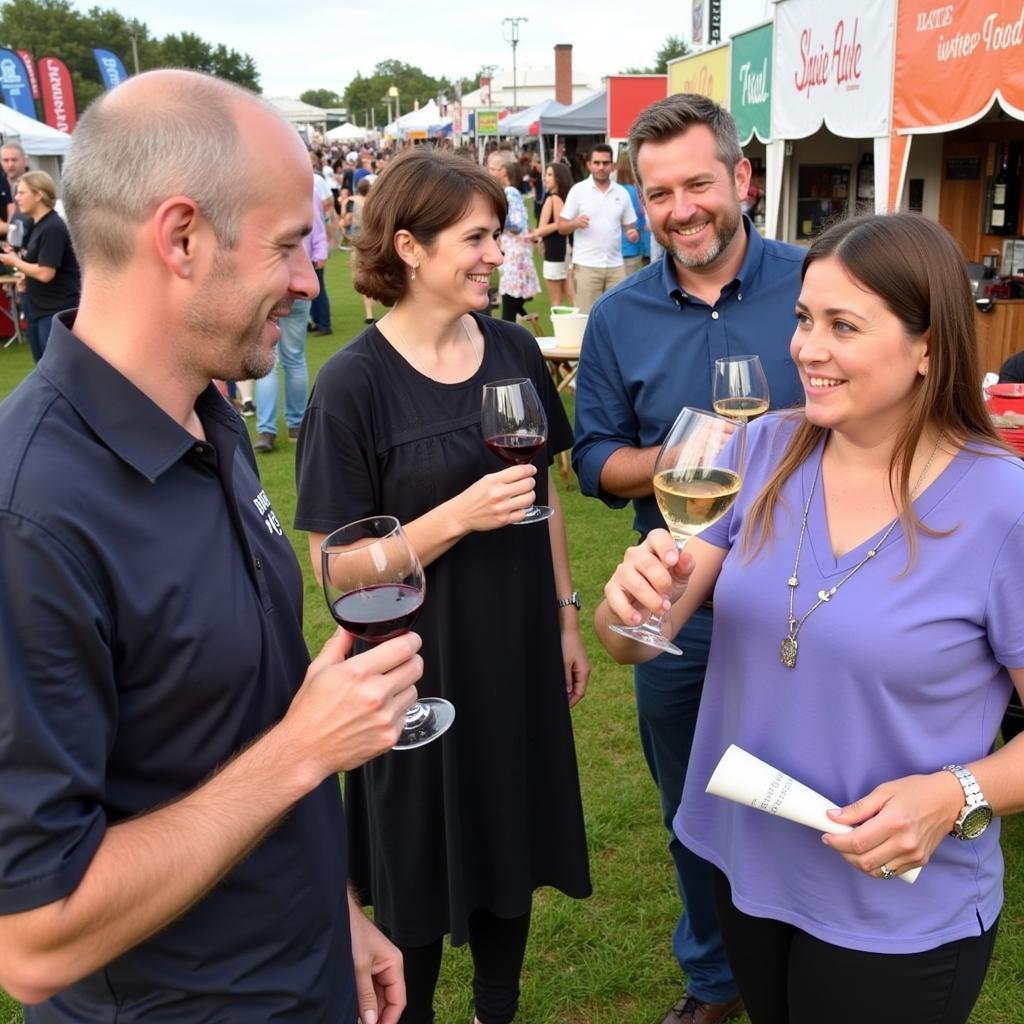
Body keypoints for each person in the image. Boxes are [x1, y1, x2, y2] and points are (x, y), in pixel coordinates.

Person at [0, 69, 424, 1023]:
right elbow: (32, 937)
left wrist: (339, 911)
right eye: (287, 246)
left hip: (302, 971)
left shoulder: (205, 414)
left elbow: (238, 714)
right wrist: (304, 753)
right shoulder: (30, 522)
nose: (312, 280)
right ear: (181, 238)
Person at [599, 210, 1024, 1024]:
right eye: (802, 318)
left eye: (842, 325)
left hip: (893, 906)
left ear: (927, 346)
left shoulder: (1002, 507)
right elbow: (632, 645)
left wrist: (957, 792)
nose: (806, 348)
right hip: (746, 862)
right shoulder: (760, 452)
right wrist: (629, 604)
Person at [294, 146, 592, 1024]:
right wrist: (454, 517)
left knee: (510, 834)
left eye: (497, 234)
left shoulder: (512, 349)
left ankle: (496, 1007)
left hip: (517, 644)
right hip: (412, 673)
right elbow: (337, 571)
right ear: (410, 246)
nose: (497, 254)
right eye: (476, 237)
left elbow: (544, 500)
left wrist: (566, 615)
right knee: (416, 861)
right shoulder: (352, 386)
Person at [572, 93, 806, 1024]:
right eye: (658, 192)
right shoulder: (619, 317)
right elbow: (593, 458)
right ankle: (716, 977)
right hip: (677, 604)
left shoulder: (818, 282)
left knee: (811, 791)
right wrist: (676, 460)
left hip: (807, 598)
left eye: (698, 183)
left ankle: (811, 963)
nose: (681, 209)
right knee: (694, 804)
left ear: (741, 180)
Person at [252, 179, 327, 453]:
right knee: (290, 359)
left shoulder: (260, 200)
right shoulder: (305, 202)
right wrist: (318, 256)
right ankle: (292, 425)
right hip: (294, 284)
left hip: (270, 284)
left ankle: (268, 430)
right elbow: (319, 238)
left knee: (271, 360)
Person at [0, 170, 80, 363]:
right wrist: (24, 276)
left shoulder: (52, 226)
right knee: (43, 367)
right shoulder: (37, 225)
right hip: (40, 308)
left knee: (57, 370)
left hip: (55, 310)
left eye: (22, 192)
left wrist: (15, 262)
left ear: (38, 195)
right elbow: (37, 265)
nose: (17, 198)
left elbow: (46, 273)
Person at [558, 143, 639, 312]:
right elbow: (561, 227)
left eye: (605, 163)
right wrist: (574, 223)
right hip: (586, 266)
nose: (601, 167)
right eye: (597, 163)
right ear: (589, 165)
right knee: (587, 317)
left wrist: (632, 233)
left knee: (618, 315)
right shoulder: (578, 190)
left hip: (616, 266)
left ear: (613, 166)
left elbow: (630, 226)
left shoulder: (621, 193)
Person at [485, 150, 540, 323]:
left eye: (492, 169)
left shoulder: (509, 193)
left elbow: (517, 224)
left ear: (504, 170)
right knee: (511, 300)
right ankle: (525, 318)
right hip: (513, 253)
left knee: (510, 300)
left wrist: (496, 221)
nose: (489, 173)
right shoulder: (508, 192)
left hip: (515, 255)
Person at [528, 161, 575, 308]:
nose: (546, 178)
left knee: (557, 301)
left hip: (555, 252)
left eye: (549, 175)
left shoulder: (553, 198)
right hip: (561, 250)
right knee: (570, 296)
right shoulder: (564, 198)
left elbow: (555, 224)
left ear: (558, 178)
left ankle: (562, 330)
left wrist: (536, 233)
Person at [346, 177, 377, 324]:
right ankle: (370, 313)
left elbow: (346, 219)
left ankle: (369, 314)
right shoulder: (373, 202)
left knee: (362, 274)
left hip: (358, 241)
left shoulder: (352, 202)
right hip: (372, 240)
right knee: (371, 272)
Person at [615, 149, 647, 276]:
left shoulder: (615, 191)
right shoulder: (634, 191)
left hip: (613, 250)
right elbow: (640, 218)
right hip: (631, 248)